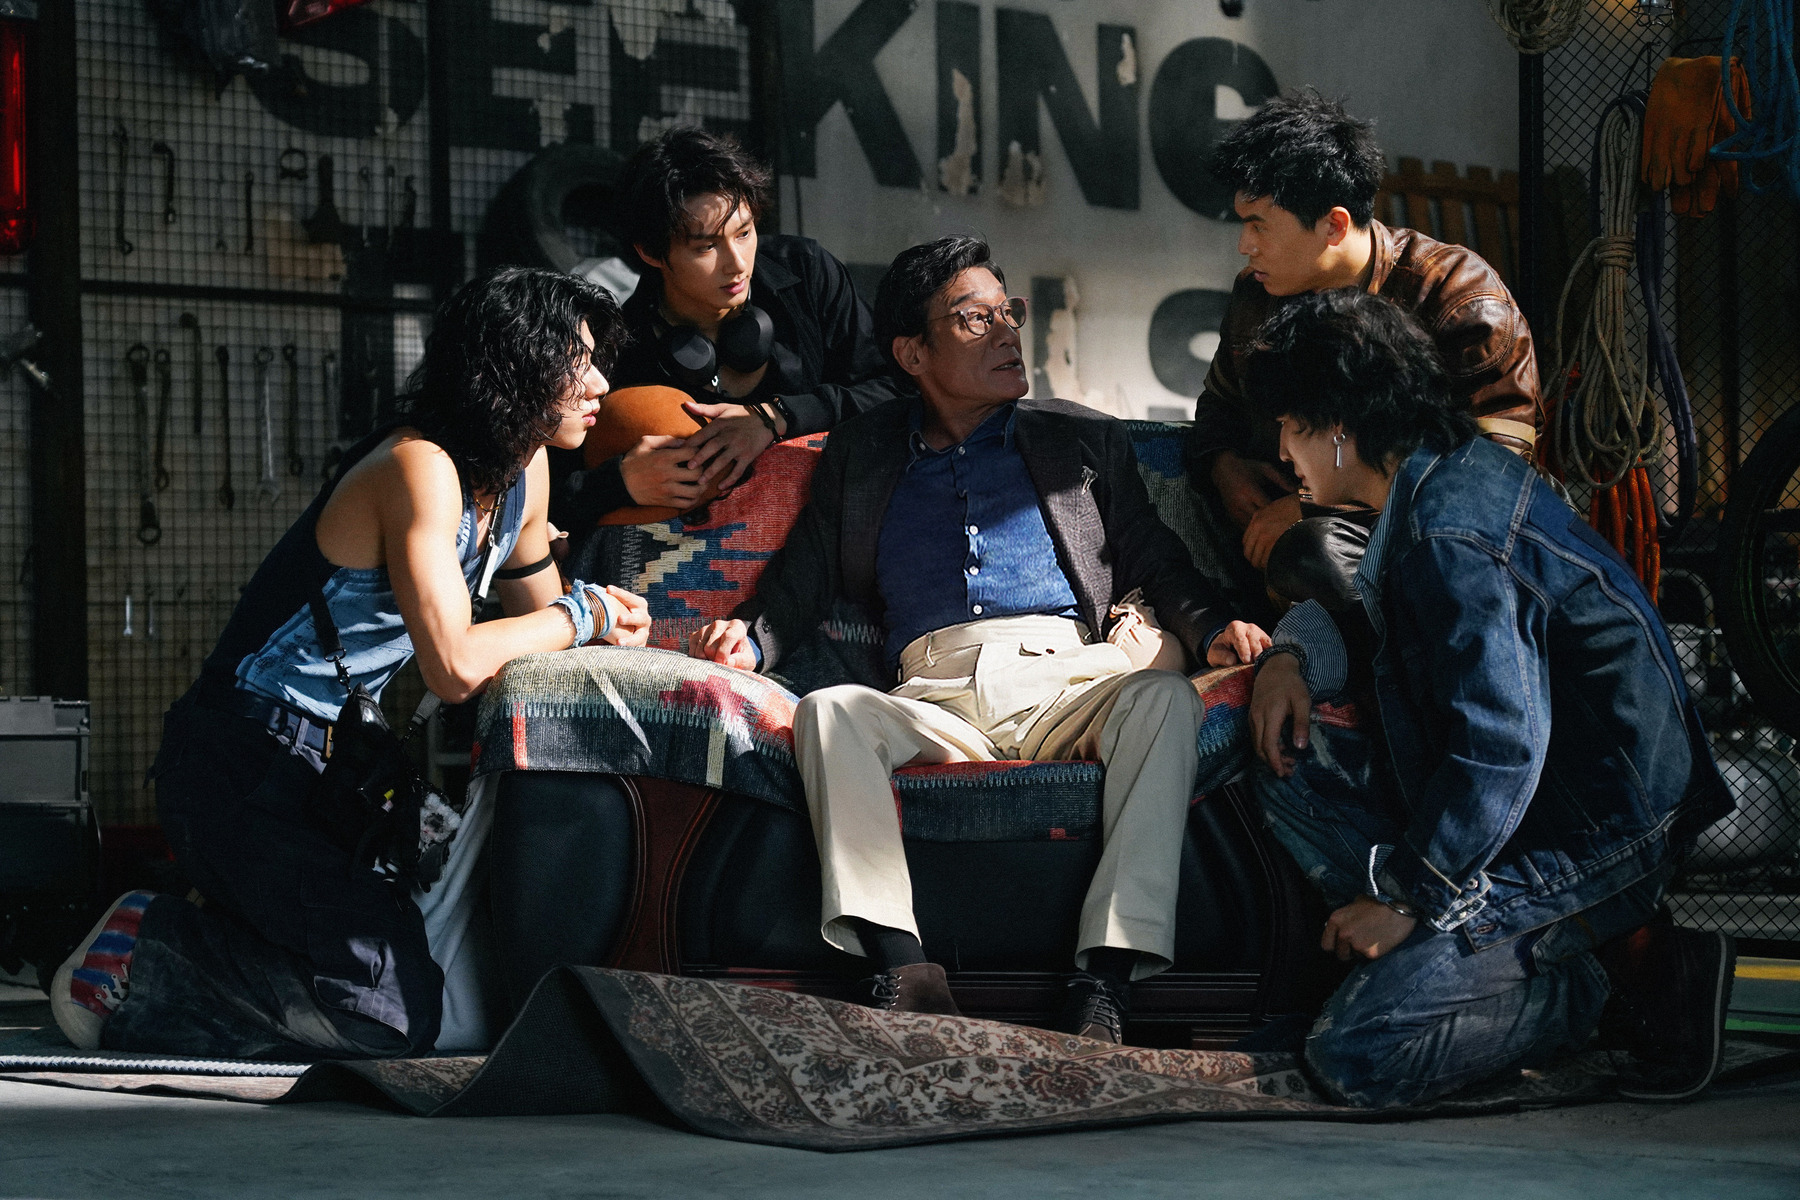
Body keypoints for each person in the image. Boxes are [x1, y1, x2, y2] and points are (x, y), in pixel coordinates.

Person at [50, 268, 653, 1061]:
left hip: (336, 773)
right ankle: (149, 938)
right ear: (515, 366)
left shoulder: (526, 471)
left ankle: (227, 927)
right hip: (241, 759)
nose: (601, 383)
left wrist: (613, 632)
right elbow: (456, 665)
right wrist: (584, 615)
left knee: (400, 997)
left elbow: (540, 632)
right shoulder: (418, 468)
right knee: (390, 1014)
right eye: (578, 362)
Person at [687, 236, 1270, 1043]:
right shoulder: (863, 452)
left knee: (1164, 703)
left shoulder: (1080, 439)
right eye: (974, 319)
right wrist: (751, 642)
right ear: (912, 354)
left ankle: (1105, 980)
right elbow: (803, 576)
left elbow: (1153, 556)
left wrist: (1211, 628)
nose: (1006, 334)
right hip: (935, 695)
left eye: (1008, 312)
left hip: (1070, 681)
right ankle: (903, 969)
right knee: (829, 713)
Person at [1245, 289, 1734, 1108]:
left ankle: (1610, 984)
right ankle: (1439, 954)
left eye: (1289, 426)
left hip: (1592, 834)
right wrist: (1285, 658)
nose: (1282, 451)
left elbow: (1501, 745)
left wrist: (1407, 894)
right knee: (1292, 763)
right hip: (1538, 806)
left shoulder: (1451, 534)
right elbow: (1362, 608)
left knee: (1356, 1053)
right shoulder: (1435, 475)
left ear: (1336, 427)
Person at [1188, 90, 1541, 612]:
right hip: (1265, 551)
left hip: (1432, 557)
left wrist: (1315, 510)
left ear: (1333, 224)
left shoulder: (1461, 300)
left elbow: (1493, 477)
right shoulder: (1257, 295)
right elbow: (1220, 403)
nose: (1245, 244)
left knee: (1316, 552)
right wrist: (1224, 467)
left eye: (1259, 224)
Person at [551, 127, 902, 537]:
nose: (737, 263)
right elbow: (548, 493)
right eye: (706, 247)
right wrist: (620, 481)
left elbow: (901, 389)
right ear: (650, 251)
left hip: (831, 534)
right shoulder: (617, 348)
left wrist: (777, 416)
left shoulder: (807, 274)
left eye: (744, 233)